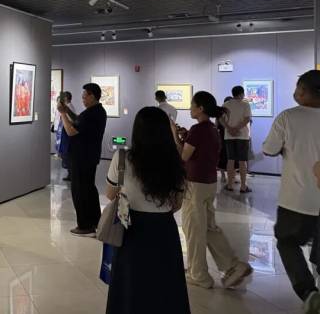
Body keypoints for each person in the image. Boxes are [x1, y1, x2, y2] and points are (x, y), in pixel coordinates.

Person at [105, 107, 190, 314]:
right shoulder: (175, 161)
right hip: (164, 229)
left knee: (130, 282)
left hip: (131, 228)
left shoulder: (122, 158)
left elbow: (110, 194)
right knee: (165, 284)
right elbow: (177, 204)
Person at [175, 91, 253, 289]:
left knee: (194, 229)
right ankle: (233, 266)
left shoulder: (197, 130)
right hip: (209, 183)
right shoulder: (211, 129)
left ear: (200, 108)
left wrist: (174, 136)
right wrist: (185, 136)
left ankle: (198, 274)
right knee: (209, 228)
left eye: (192, 105)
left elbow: (183, 156)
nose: (190, 108)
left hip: (195, 184)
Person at [263, 70, 320, 313]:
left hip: (296, 200)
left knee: (287, 242)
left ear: (304, 91)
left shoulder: (288, 117)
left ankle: (308, 292)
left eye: (297, 89)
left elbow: (269, 149)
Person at [58, 83, 107, 237]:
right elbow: (79, 121)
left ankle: (85, 225)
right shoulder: (97, 111)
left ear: (92, 96)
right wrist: (67, 111)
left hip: (81, 158)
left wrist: (62, 114)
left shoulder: (91, 114)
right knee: (89, 189)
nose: (83, 99)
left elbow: (71, 131)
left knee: (80, 191)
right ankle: (95, 222)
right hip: (89, 157)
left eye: (85, 96)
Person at [222, 86, 253, 193]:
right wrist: (237, 129)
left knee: (230, 160)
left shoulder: (226, 104)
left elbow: (221, 119)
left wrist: (229, 128)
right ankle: (243, 186)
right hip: (242, 136)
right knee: (242, 161)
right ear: (242, 93)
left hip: (229, 136)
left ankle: (230, 185)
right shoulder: (245, 104)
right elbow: (247, 119)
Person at [55, 91, 76, 181]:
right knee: (66, 155)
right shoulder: (68, 106)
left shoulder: (69, 107)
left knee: (67, 154)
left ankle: (71, 174)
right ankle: (70, 174)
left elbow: (70, 120)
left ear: (66, 98)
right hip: (64, 132)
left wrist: (63, 113)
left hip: (67, 133)